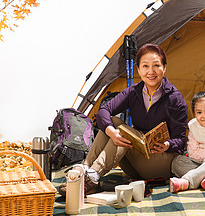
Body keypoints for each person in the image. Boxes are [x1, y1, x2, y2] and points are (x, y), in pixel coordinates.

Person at [59, 43, 188, 196]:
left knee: (123, 131)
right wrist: (111, 131)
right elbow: (103, 112)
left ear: (164, 68)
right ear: (138, 69)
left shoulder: (175, 98)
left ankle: (91, 177)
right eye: (145, 66)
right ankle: (86, 170)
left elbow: (181, 139)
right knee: (113, 122)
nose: (151, 71)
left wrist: (167, 145)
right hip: (135, 164)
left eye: (156, 65)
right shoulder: (133, 92)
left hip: (162, 163)